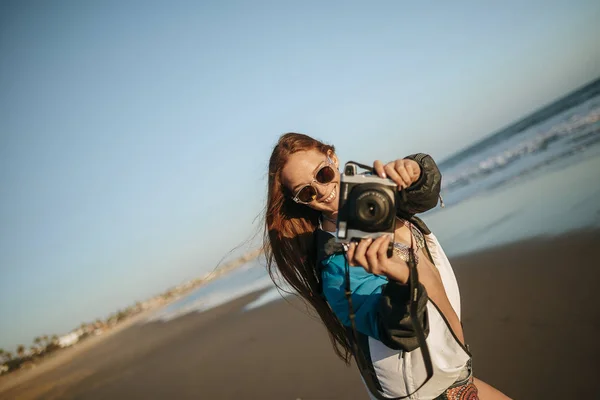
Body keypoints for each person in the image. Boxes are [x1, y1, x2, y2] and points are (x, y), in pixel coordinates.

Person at [263, 132, 510, 400]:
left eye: (322, 174)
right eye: (306, 192)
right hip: (424, 391)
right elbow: (398, 329)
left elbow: (423, 193)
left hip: (454, 371)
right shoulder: (335, 265)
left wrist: (414, 168)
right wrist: (402, 281)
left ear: (332, 158)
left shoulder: (377, 194)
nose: (322, 191)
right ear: (300, 201)